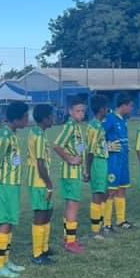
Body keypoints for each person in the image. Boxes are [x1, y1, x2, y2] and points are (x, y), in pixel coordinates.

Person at [0, 101, 30, 278]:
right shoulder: (4, 136)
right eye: (25, 116)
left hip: (13, 185)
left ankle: (5, 260)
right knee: (5, 223)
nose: (27, 119)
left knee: (10, 222)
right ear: (17, 118)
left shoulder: (13, 134)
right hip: (5, 185)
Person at [53, 96, 88, 254]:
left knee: (71, 204)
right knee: (73, 204)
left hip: (76, 172)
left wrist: (84, 168)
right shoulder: (70, 126)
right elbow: (57, 145)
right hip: (70, 172)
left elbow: (79, 149)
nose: (81, 113)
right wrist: (70, 159)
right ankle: (71, 242)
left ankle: (68, 238)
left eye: (83, 111)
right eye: (78, 111)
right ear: (70, 111)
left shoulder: (77, 126)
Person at [28, 104, 56, 265]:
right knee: (40, 214)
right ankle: (37, 253)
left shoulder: (40, 133)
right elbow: (40, 163)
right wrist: (49, 183)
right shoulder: (38, 135)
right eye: (51, 116)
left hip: (43, 180)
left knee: (48, 211)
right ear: (45, 118)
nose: (54, 119)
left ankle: (44, 248)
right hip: (38, 181)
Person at [104, 93, 135, 230]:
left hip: (123, 160)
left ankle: (121, 220)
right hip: (113, 161)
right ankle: (106, 224)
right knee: (111, 191)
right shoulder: (110, 118)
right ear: (123, 105)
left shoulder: (123, 120)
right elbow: (97, 136)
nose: (132, 109)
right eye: (131, 106)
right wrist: (106, 147)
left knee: (122, 189)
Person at [85, 95, 112, 236]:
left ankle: (104, 225)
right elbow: (90, 150)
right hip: (97, 162)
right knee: (98, 193)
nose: (108, 110)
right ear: (101, 109)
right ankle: (96, 230)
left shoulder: (99, 125)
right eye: (106, 107)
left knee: (105, 193)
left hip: (103, 160)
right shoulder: (94, 127)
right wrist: (87, 170)